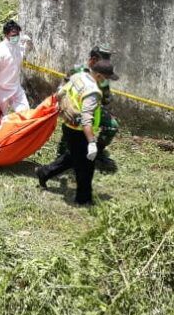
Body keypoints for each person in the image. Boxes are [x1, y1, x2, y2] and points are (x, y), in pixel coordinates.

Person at [36, 59, 118, 206]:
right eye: (106, 78)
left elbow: (60, 93)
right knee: (86, 167)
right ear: (99, 75)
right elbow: (87, 119)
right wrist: (92, 143)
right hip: (81, 132)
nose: (107, 81)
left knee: (73, 157)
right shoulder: (93, 91)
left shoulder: (78, 77)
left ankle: (44, 172)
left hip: (69, 127)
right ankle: (84, 199)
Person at [66, 44, 120, 173]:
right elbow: (63, 89)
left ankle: (97, 152)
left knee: (112, 125)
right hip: (73, 110)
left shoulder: (102, 75)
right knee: (72, 129)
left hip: (94, 110)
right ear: (93, 60)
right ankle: (64, 155)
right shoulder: (77, 70)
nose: (106, 63)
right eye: (103, 60)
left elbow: (106, 99)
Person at [0, 20, 30, 120]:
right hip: (0, 89)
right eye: (13, 35)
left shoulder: (18, 46)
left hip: (16, 87)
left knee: (26, 114)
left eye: (18, 34)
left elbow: (22, 50)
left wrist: (25, 43)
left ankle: (21, 134)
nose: (16, 37)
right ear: (6, 35)